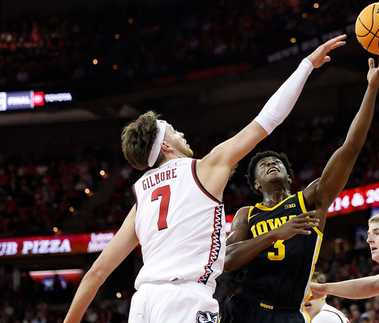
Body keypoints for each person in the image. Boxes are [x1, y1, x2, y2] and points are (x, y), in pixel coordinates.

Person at [63, 34, 347, 323]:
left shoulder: (142, 199)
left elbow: (96, 273)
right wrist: (306, 66)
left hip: (143, 304)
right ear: (165, 145)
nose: (182, 134)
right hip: (185, 299)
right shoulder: (203, 169)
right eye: (174, 131)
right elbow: (268, 119)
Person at [221, 51, 379, 323]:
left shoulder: (311, 200)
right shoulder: (248, 214)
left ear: (289, 177)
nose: (271, 164)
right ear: (257, 183)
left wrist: (372, 88)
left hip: (288, 314)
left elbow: (350, 148)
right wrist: (273, 235)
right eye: (264, 163)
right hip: (246, 308)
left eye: (277, 162)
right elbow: (228, 259)